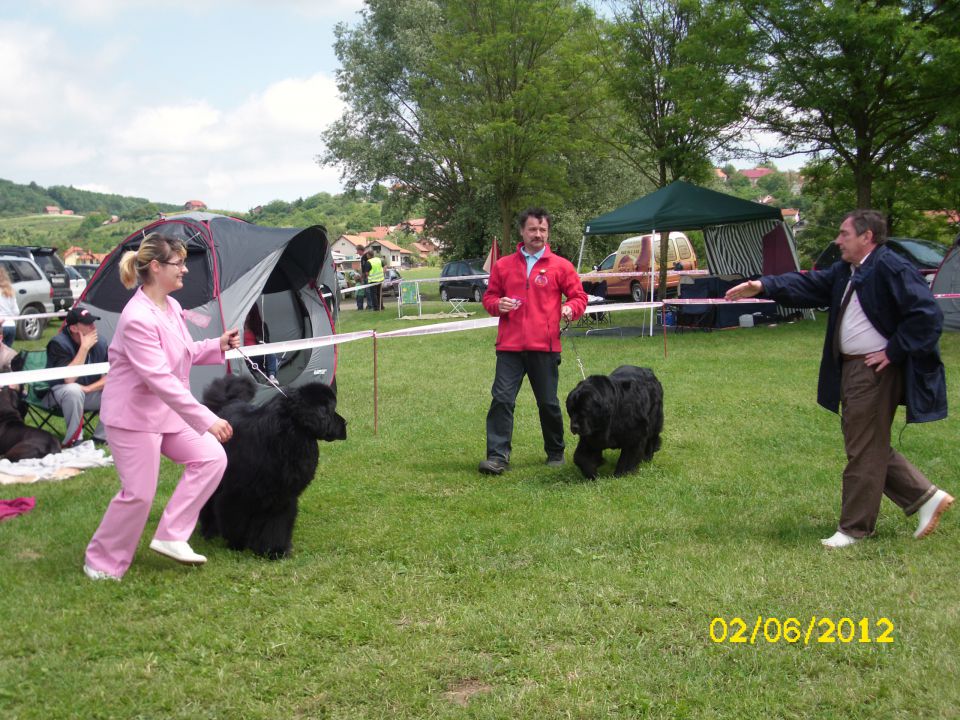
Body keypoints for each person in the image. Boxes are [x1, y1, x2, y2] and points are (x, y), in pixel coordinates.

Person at [725, 209, 953, 548]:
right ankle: (925, 497)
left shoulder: (890, 266)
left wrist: (893, 351)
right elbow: (810, 284)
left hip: (874, 371)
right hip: (853, 369)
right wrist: (763, 285)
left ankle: (854, 529)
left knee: (863, 448)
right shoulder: (849, 270)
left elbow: (927, 314)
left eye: (845, 234)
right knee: (866, 444)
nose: (838, 240)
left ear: (867, 237)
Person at [83, 232, 240, 581]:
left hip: (166, 414)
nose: (184, 270)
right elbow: (160, 378)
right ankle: (101, 561)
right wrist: (206, 418)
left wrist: (216, 344)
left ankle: (171, 535)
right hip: (134, 419)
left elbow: (180, 355)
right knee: (138, 494)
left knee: (212, 457)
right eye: (179, 263)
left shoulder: (171, 307)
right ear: (156, 267)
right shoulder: (137, 318)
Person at [479, 207, 588, 475]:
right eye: (532, 229)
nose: (537, 234)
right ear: (522, 231)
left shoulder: (561, 266)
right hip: (509, 348)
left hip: (545, 347)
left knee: (548, 403)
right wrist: (498, 304)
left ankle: (555, 452)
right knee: (502, 400)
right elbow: (488, 298)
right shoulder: (503, 265)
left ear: (547, 232)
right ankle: (497, 457)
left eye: (542, 230)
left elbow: (579, 297)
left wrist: (570, 309)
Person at [43, 304, 109, 447]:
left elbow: (113, 375)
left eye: (93, 322)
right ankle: (75, 439)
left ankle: (101, 437)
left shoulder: (101, 343)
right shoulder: (58, 344)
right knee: (73, 389)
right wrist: (84, 348)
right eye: (87, 324)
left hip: (88, 392)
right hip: (59, 394)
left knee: (119, 389)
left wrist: (90, 388)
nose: (93, 327)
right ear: (73, 328)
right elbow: (69, 379)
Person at [243, 302, 278, 382]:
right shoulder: (237, 327)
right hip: (244, 357)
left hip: (258, 356)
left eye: (248, 313)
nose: (246, 315)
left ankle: (272, 378)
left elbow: (267, 343)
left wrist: (262, 345)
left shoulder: (261, 326)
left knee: (271, 353)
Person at [0, 267, 18, 348]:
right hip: (11, 326)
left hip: (1, 326)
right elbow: (16, 311)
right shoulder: (10, 290)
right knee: (7, 354)